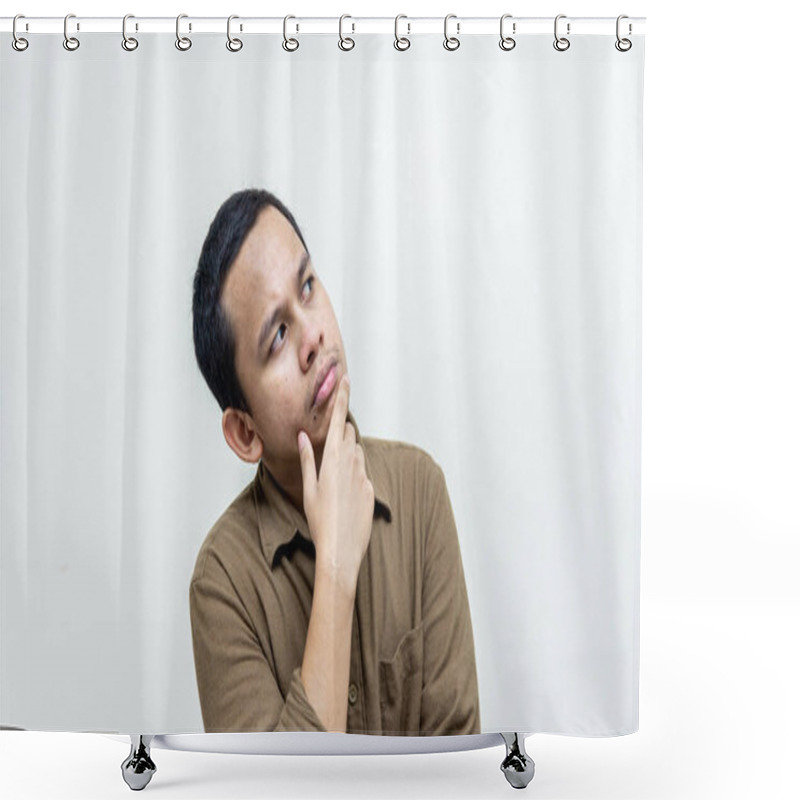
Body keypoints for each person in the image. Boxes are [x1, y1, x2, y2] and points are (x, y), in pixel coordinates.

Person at [189, 188, 480, 735]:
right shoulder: (221, 583)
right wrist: (335, 571)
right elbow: (280, 792)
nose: (313, 335)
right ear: (243, 432)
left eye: (307, 286)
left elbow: (459, 770)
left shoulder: (420, 492)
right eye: (277, 336)